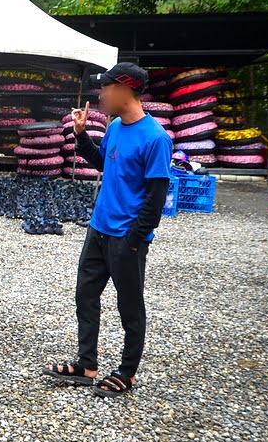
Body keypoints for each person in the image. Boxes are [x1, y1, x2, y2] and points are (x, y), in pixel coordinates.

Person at [43, 62, 172, 398]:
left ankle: (127, 373)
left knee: (130, 307)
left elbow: (156, 198)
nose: (100, 94)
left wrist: (134, 239)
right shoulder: (115, 126)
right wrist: (81, 135)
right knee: (85, 296)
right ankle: (87, 365)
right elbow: (105, 164)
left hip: (126, 239)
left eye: (106, 87)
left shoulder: (156, 139)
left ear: (125, 89)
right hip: (98, 230)